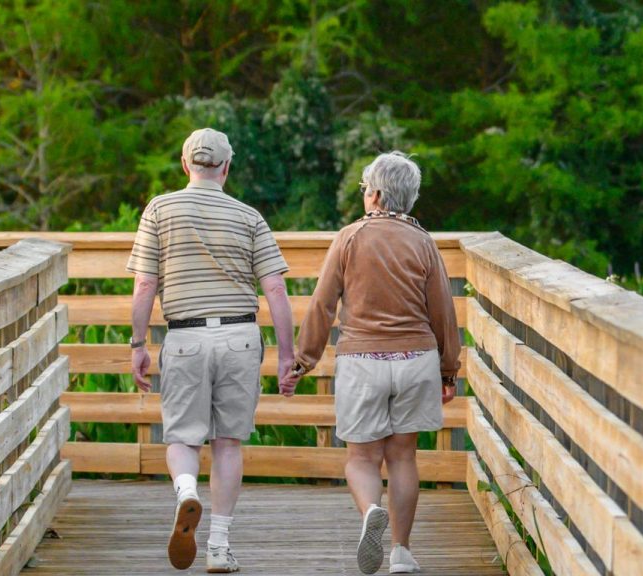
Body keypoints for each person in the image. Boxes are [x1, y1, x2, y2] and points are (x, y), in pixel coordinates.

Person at [127, 128, 297, 573]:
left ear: (185, 164)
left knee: (183, 437)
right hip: (240, 337)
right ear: (226, 167)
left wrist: (138, 343)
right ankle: (219, 547)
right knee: (227, 443)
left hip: (185, 337)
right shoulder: (249, 216)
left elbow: (145, 284)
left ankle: (186, 491)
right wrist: (287, 355)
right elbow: (276, 288)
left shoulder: (159, 209)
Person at [291, 151, 460, 574]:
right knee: (403, 457)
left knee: (362, 458)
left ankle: (370, 510)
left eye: (366, 188)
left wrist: (303, 360)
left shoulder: (349, 237)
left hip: (362, 359)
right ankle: (401, 552)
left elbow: (323, 303)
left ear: (377, 194)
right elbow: (442, 310)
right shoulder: (423, 242)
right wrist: (448, 369)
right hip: (415, 359)